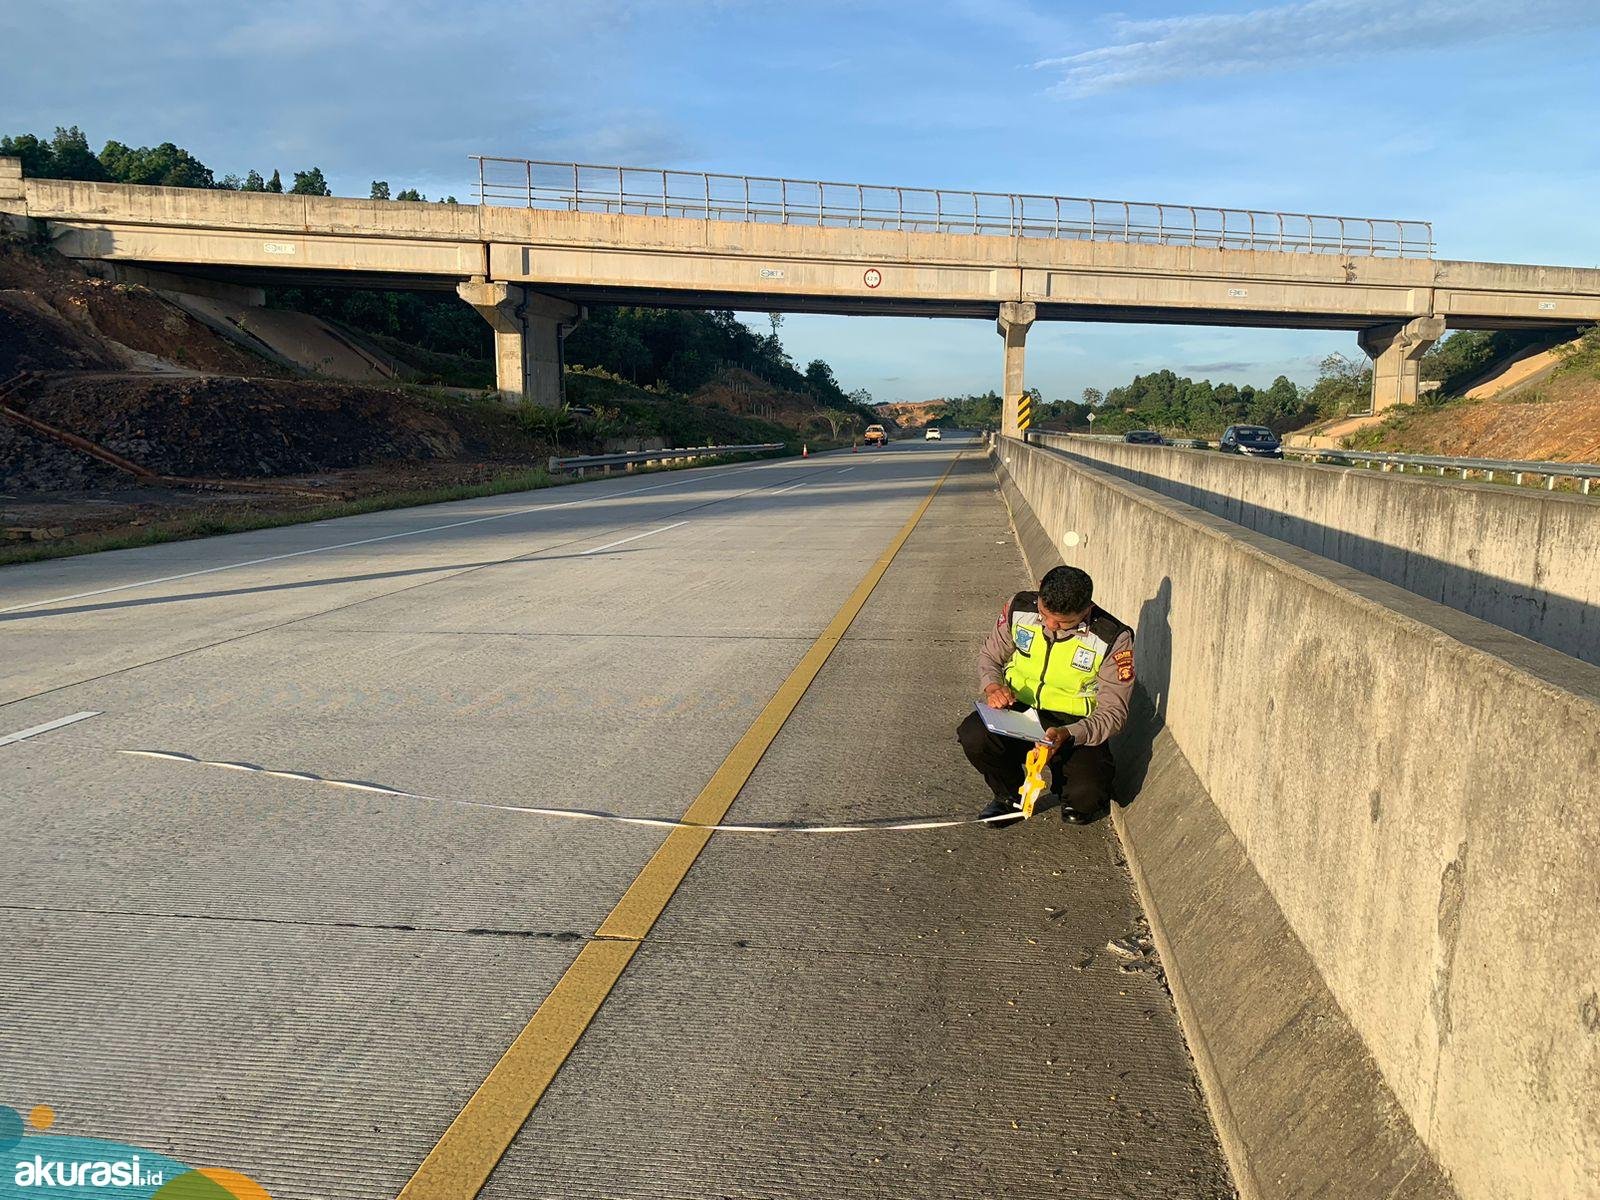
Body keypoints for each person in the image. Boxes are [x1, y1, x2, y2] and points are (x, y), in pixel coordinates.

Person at [956, 565, 1135, 826]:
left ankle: (1066, 785)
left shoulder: (1112, 637)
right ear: (1039, 592)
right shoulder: (1019, 607)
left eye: (1064, 622)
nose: (1051, 625)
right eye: (1044, 613)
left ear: (1087, 609)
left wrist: (1068, 734)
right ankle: (1010, 796)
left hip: (1073, 727)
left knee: (1085, 800)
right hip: (1019, 712)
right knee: (974, 734)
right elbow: (990, 656)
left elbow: (1113, 713)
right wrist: (993, 687)